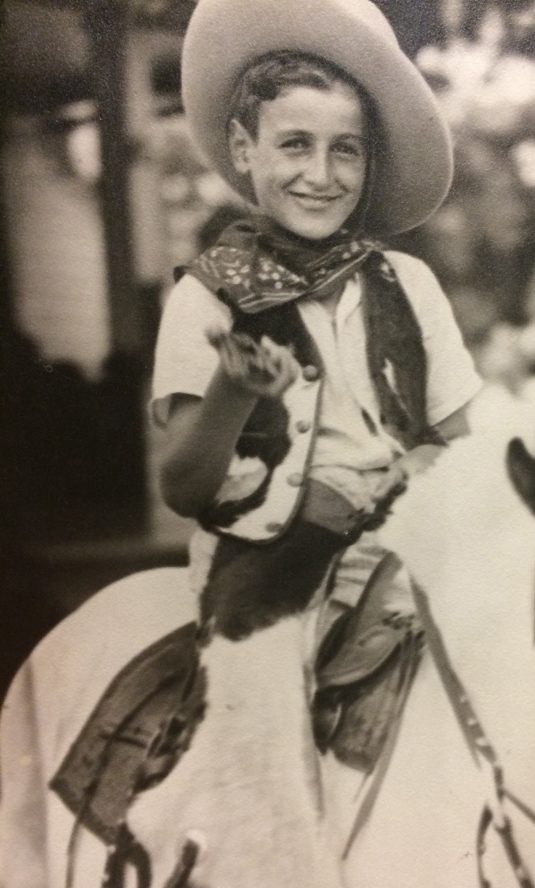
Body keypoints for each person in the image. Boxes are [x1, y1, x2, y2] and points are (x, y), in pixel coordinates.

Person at [151, 0, 483, 620]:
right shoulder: (207, 295)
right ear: (243, 148)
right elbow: (183, 490)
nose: (321, 175)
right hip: (264, 576)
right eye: (296, 145)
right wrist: (234, 391)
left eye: (346, 149)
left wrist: (423, 466)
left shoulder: (407, 283)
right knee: (262, 673)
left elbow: (465, 444)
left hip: (407, 555)